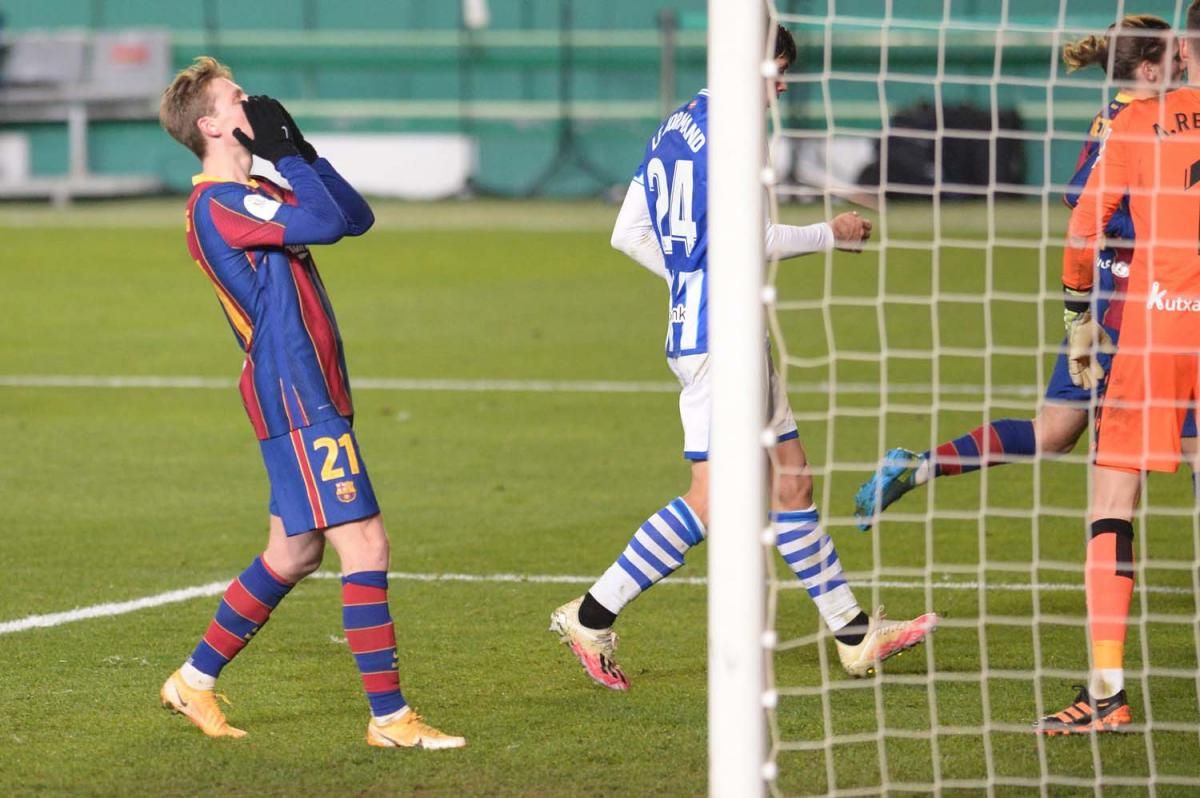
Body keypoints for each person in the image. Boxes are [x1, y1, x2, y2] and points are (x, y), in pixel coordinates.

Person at [547, 26, 938, 691]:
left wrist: (688, 283)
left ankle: (853, 633)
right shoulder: (733, 134)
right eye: (777, 68)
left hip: (714, 329)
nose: (782, 84)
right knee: (712, 500)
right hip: (720, 339)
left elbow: (628, 233)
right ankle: (591, 613)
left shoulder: (676, 127)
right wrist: (831, 233)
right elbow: (746, 237)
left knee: (792, 479)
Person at [155, 57, 463, 749]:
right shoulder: (219, 203)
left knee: (293, 554)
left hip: (310, 384)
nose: (255, 104)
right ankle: (390, 719)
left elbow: (354, 217)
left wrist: (304, 153)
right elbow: (322, 226)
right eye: (239, 100)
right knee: (367, 542)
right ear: (211, 124)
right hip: (294, 390)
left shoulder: (256, 184)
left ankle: (193, 682)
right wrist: (290, 156)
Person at [853, 14, 1195, 531]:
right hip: (1135, 296)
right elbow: (1083, 197)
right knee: (1173, 445)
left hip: (1113, 290)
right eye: (1177, 54)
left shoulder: (1148, 114)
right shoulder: (1132, 119)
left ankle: (919, 466)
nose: (1187, 59)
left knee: (1055, 432)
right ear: (1148, 70)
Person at [1034, 6, 1199, 734]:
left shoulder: (1135, 123)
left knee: (1112, 500)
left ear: (1189, 46)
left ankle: (1106, 694)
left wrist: (1077, 324)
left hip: (1159, 325)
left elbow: (1081, 228)